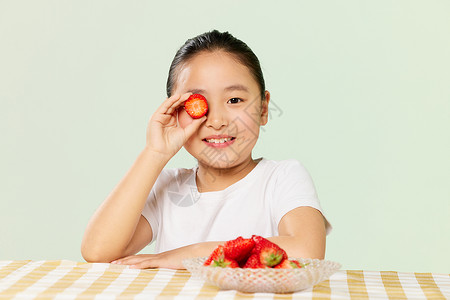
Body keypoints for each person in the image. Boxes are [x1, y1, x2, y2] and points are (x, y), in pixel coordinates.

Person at [81, 30, 331, 269]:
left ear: (263, 109)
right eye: (196, 103)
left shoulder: (282, 178)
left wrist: (190, 254)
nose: (217, 120)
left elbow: (307, 251)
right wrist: (154, 154)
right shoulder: (169, 187)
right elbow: (98, 251)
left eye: (234, 100)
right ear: (175, 112)